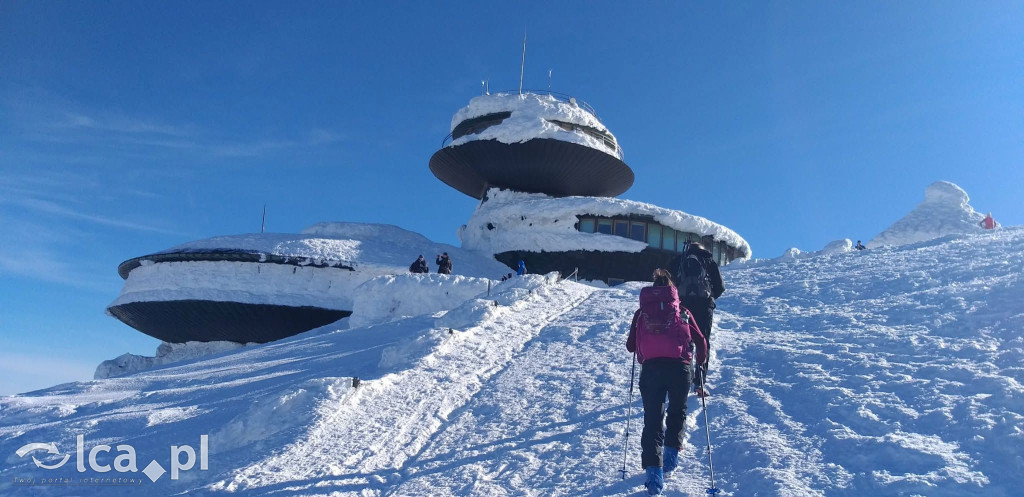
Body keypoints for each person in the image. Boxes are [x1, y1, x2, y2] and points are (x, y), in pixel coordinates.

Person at [626, 269, 708, 495]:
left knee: (652, 418)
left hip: (651, 369)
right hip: (680, 368)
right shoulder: (682, 311)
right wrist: (700, 361)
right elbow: (701, 341)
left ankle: (654, 474)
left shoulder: (642, 312)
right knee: (677, 410)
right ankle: (671, 456)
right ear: (673, 290)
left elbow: (630, 346)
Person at [671, 240, 724, 398]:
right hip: (704, 307)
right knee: (703, 341)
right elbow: (720, 287)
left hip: (683, 305)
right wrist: (710, 298)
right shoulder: (708, 261)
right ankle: (700, 381)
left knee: (683, 340)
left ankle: (682, 377)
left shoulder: (679, 261)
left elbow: (671, 284)